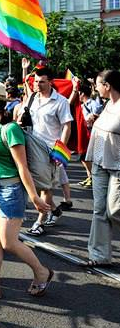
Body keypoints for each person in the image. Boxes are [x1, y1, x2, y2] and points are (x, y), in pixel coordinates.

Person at [0, 81, 53, 298]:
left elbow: (22, 166)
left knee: (9, 242)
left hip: (10, 190)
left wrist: (34, 196)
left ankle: (42, 272)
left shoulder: (11, 129)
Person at [22, 66, 73, 235]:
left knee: (45, 187)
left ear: (50, 82)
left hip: (49, 150)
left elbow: (67, 126)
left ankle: (39, 222)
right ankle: (55, 211)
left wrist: (60, 150)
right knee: (31, 185)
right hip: (30, 146)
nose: (38, 85)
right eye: (36, 82)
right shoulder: (32, 98)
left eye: (42, 82)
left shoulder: (61, 101)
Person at [83, 69, 120, 267]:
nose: (95, 88)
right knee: (99, 211)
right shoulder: (107, 106)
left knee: (114, 209)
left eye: (97, 84)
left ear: (107, 86)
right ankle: (99, 256)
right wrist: (93, 121)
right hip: (99, 163)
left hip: (117, 166)